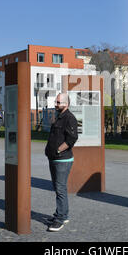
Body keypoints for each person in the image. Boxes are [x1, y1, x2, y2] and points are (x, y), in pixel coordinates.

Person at [44, 93, 78, 232]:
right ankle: (62, 213)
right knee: (58, 188)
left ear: (66, 103)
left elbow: (72, 139)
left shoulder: (70, 118)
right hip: (54, 158)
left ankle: (60, 218)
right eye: (55, 102)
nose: (55, 104)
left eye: (58, 102)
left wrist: (58, 150)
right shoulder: (59, 116)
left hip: (62, 160)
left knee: (60, 189)